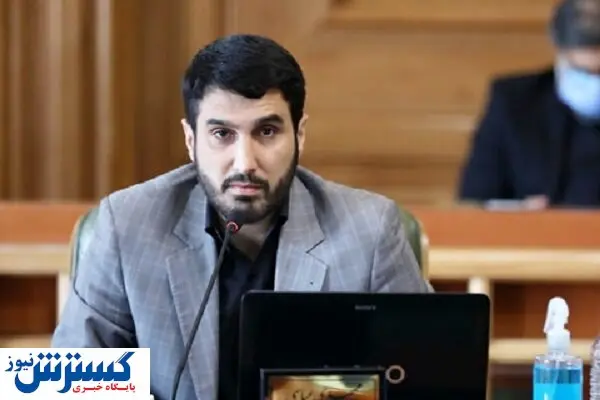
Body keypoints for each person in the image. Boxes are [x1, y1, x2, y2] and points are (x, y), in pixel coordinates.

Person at [51, 34, 432, 400]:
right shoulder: (128, 224)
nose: (244, 163)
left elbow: (422, 382)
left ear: (299, 135)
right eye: (222, 134)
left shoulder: (369, 231)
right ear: (191, 140)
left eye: (267, 131)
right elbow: (72, 386)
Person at [458, 0, 600, 208]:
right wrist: (520, 212)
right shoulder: (514, 102)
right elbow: (474, 201)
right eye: (583, 71)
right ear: (559, 49)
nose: (594, 82)